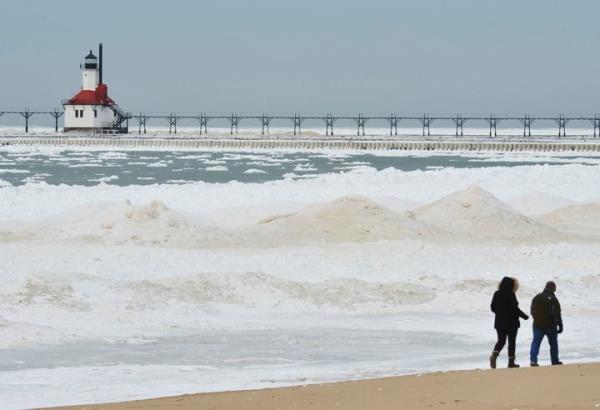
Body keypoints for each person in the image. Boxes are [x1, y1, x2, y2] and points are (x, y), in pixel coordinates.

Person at [490, 277, 529, 368]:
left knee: (501, 341)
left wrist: (500, 313)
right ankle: (511, 362)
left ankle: (494, 355)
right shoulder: (511, 294)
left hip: (499, 322)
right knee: (511, 342)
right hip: (511, 323)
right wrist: (524, 316)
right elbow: (515, 309)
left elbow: (493, 307)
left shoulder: (497, 293)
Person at [529, 281, 563, 366]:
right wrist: (560, 324)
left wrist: (536, 318)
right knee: (553, 343)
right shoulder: (553, 298)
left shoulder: (536, 297)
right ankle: (554, 361)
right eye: (555, 288)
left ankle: (533, 361)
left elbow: (532, 310)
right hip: (550, 325)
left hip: (537, 324)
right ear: (553, 288)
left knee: (536, 343)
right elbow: (557, 312)